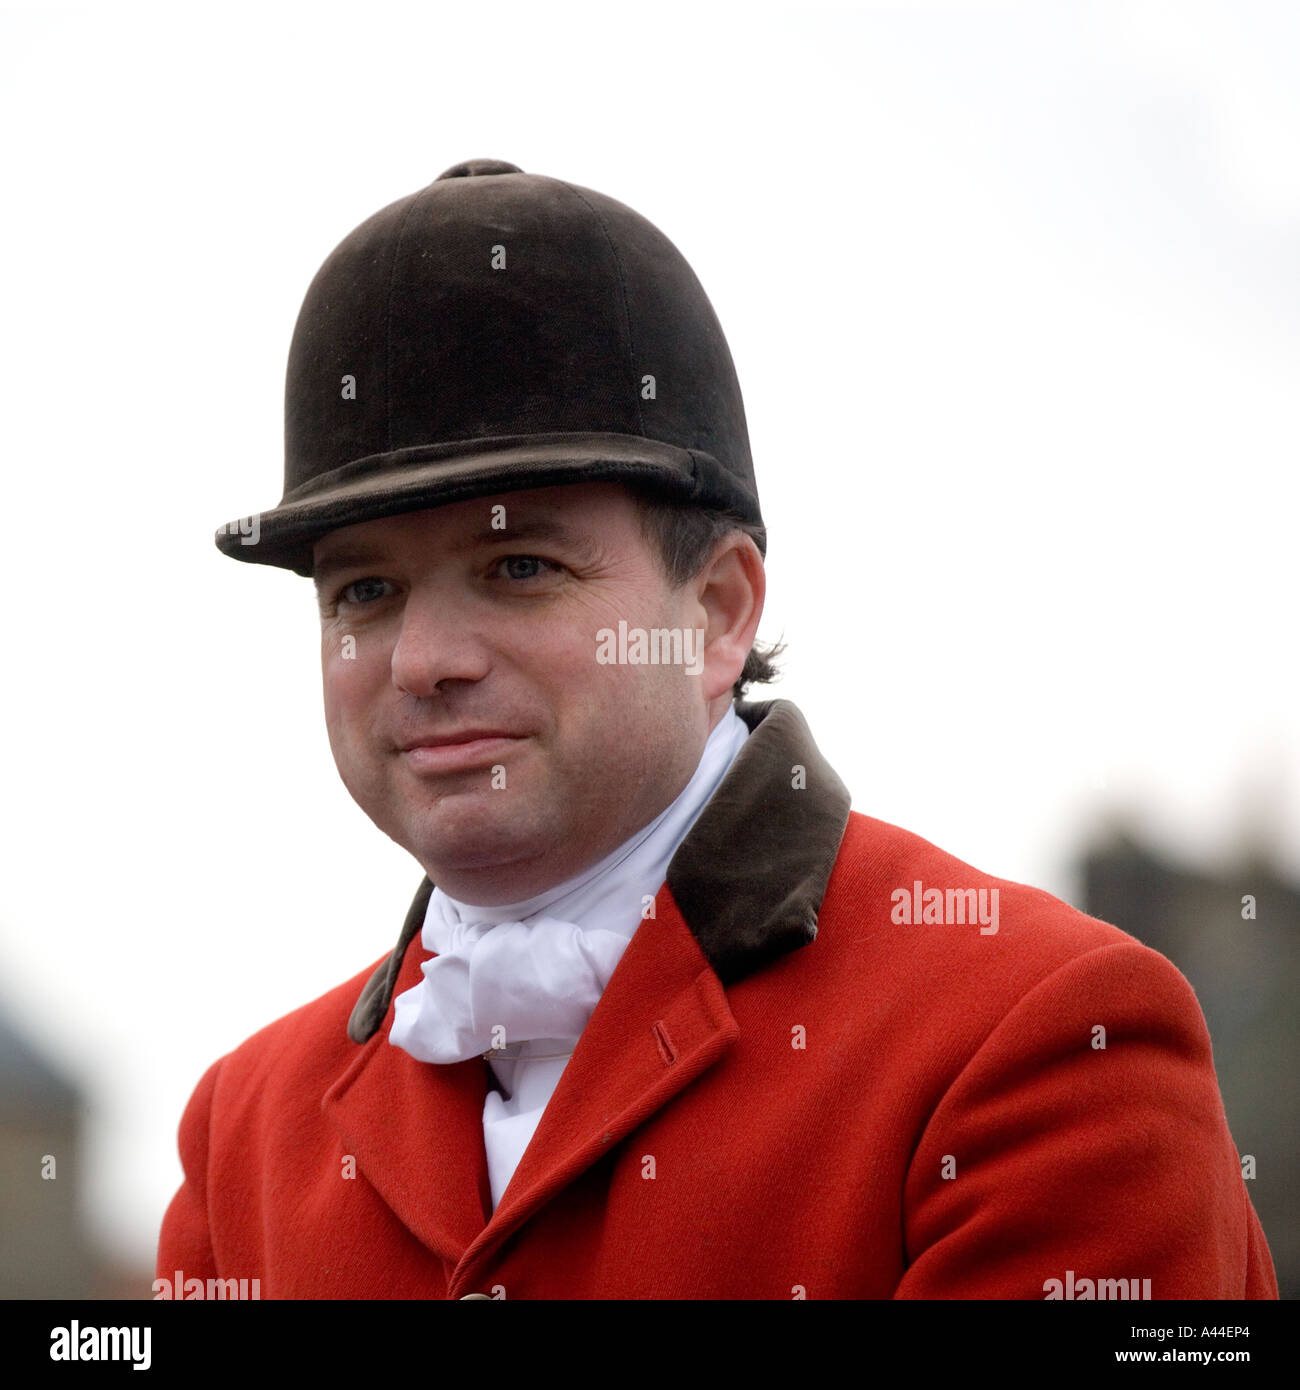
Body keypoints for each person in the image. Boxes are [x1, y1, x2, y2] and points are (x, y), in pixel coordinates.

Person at [158, 158, 1277, 1300]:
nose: (424, 661)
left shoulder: (1043, 1040)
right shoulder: (237, 1133)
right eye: (363, 592)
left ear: (718, 612)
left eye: (519, 567)